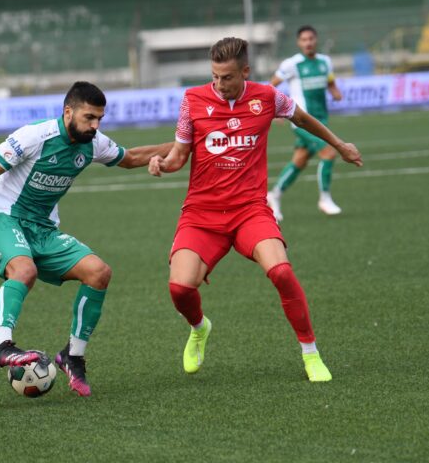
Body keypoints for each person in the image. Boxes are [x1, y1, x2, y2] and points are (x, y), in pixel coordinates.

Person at [148, 37, 362, 382]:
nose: (219, 84)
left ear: (245, 72)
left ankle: (311, 354)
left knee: (281, 272)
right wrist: (162, 164)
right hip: (202, 214)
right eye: (215, 76)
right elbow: (179, 155)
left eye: (227, 77)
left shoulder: (267, 97)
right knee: (180, 288)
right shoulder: (192, 100)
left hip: (250, 210)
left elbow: (304, 119)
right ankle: (199, 328)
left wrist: (339, 144)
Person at [0, 81, 172, 397]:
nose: (95, 125)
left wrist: (183, 144)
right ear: (68, 111)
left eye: (99, 118)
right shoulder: (34, 137)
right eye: (89, 118)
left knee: (99, 273)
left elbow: (132, 157)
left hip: (43, 229)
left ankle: (73, 355)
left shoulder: (93, 142)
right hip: (4, 218)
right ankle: (1, 345)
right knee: (24, 271)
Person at [267, 25, 344, 222]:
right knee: (329, 152)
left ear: (316, 40)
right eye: (304, 39)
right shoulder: (292, 64)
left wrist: (335, 92)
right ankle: (325, 199)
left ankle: (274, 195)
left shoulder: (325, 62)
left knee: (299, 160)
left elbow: (330, 81)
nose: (308, 42)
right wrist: (274, 110)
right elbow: (270, 87)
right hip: (301, 122)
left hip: (321, 120)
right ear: (298, 43)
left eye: (311, 38)